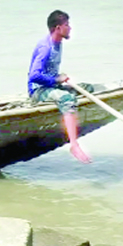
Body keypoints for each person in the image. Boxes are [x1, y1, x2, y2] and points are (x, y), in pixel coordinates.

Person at [27, 10, 91, 164]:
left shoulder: (58, 43)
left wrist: (59, 79)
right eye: (66, 25)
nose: (70, 28)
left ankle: (73, 120)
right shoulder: (45, 47)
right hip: (38, 90)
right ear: (57, 28)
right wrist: (56, 79)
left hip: (51, 85)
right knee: (67, 98)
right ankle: (74, 144)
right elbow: (34, 76)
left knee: (86, 88)